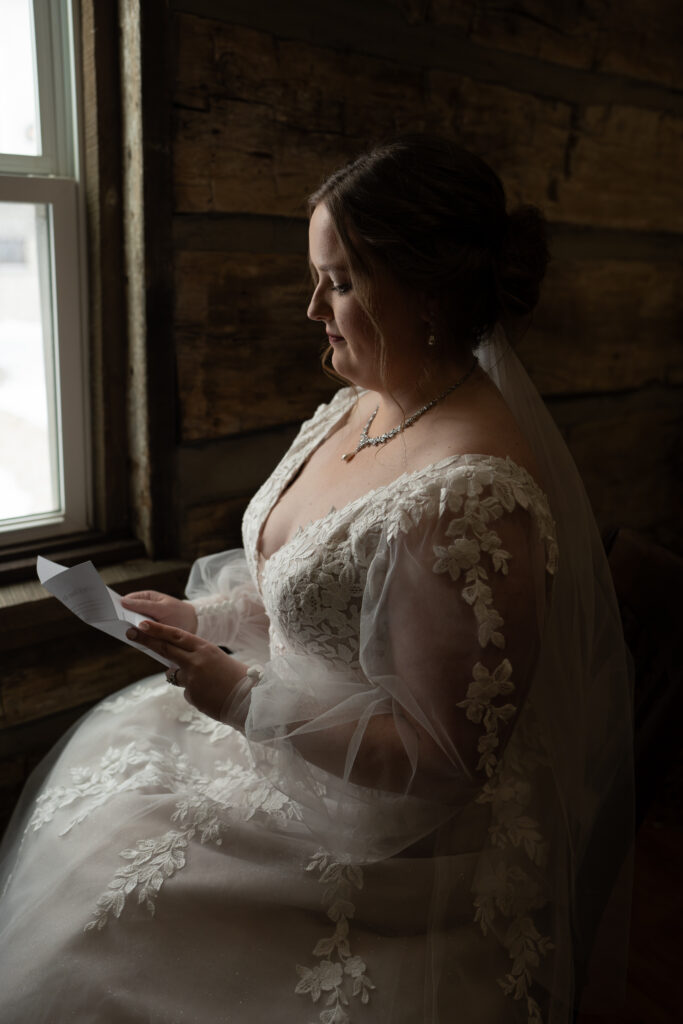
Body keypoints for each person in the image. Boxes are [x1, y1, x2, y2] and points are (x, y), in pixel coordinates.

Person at [0, 137, 632, 1023]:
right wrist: (201, 615)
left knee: (106, 923)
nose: (310, 308)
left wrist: (244, 701)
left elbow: (448, 761)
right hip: (291, 746)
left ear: (425, 293)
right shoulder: (360, 404)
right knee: (102, 831)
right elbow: (320, 598)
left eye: (336, 283)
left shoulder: (475, 494)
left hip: (386, 839)